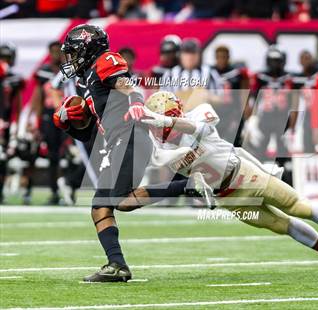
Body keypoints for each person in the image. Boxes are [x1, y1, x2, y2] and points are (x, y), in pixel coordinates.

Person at [135, 90, 318, 276]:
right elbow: (162, 158)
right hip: (229, 197)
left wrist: (167, 120)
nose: (159, 131)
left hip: (245, 175)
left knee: (300, 207)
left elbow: (200, 128)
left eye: (163, 122)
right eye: (157, 124)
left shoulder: (198, 114)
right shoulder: (161, 149)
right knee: (285, 227)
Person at [53, 24, 213, 282]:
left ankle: (188, 185)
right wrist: (67, 125)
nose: (69, 59)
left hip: (130, 136)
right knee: (102, 206)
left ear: (86, 48)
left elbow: (129, 85)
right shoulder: (86, 83)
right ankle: (117, 265)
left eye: (73, 52)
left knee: (116, 202)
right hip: (116, 141)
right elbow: (91, 133)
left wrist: (137, 103)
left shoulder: (106, 61)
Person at [31, 41, 66, 204]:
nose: (56, 54)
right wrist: (35, 119)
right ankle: (54, 191)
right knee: (52, 154)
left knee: (68, 153)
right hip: (50, 115)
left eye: (59, 51)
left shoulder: (69, 71)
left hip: (68, 114)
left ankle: (69, 188)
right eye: (53, 51)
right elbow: (38, 96)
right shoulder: (43, 72)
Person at [250, 45, 296, 164]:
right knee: (261, 146)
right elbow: (254, 98)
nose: (274, 64)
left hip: (282, 116)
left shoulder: (288, 78)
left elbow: (293, 101)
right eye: (272, 61)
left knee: (282, 148)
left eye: (277, 61)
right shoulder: (260, 77)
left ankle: (284, 171)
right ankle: (258, 170)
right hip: (266, 115)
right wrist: (252, 118)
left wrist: (292, 123)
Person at [0, 43, 25, 204]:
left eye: (7, 58)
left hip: (6, 123)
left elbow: (16, 105)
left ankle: (1, 191)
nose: (5, 61)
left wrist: (16, 126)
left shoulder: (14, 79)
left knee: (3, 158)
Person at [212, 45, 250, 146]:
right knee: (215, 140)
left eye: (223, 57)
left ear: (228, 57)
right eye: (218, 57)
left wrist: (245, 106)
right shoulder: (210, 72)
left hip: (233, 111)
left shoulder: (237, 73)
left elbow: (243, 90)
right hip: (217, 110)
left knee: (234, 140)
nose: (221, 60)